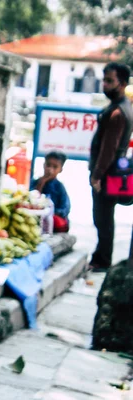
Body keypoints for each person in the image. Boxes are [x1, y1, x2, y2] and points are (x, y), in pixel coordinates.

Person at [89, 62, 133, 270]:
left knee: (103, 217)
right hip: (114, 171)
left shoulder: (117, 113)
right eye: (104, 80)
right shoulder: (122, 107)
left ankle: (102, 260)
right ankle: (101, 256)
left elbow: (109, 149)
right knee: (105, 217)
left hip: (108, 173)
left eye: (110, 81)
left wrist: (97, 176)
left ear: (122, 83)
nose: (104, 85)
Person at [30, 151, 71, 233]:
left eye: (55, 167)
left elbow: (65, 209)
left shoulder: (59, 187)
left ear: (60, 170)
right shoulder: (35, 182)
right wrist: (42, 182)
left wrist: (49, 212)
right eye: (48, 165)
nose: (50, 169)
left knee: (56, 221)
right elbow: (31, 198)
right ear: (44, 165)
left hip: (52, 218)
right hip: (36, 215)